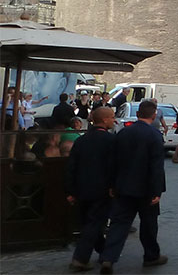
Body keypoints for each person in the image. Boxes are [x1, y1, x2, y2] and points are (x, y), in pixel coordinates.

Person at [98, 100, 168, 273]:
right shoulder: (154, 135)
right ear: (154, 115)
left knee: (119, 223)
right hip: (145, 188)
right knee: (149, 224)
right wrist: (157, 190)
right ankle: (151, 255)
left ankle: (108, 257)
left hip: (123, 186)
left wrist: (112, 184)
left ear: (137, 114)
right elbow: (156, 166)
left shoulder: (124, 133)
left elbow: (113, 162)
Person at [65, 106, 116, 272]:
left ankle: (104, 251)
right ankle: (80, 258)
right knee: (94, 224)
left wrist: (71, 191)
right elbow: (114, 167)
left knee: (91, 223)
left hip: (81, 188)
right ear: (105, 120)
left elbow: (71, 166)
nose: (114, 120)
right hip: (101, 190)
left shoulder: (81, 140)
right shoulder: (110, 141)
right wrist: (113, 186)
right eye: (112, 117)